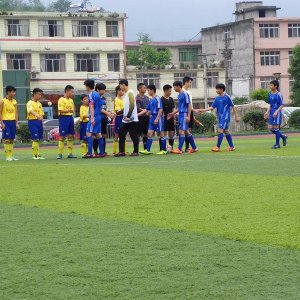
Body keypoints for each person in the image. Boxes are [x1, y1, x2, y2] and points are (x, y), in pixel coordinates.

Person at [194, 83, 240, 152]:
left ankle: (217, 147)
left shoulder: (227, 97)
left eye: (217, 89)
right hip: (220, 117)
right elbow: (212, 107)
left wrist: (236, 116)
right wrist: (202, 110)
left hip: (225, 117)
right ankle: (232, 146)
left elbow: (233, 106)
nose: (216, 90)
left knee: (220, 130)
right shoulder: (217, 98)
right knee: (226, 131)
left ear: (221, 89)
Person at [168, 81, 198, 154]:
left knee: (181, 131)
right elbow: (180, 107)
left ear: (178, 86)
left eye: (174, 87)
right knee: (186, 132)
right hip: (181, 114)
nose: (174, 89)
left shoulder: (185, 94)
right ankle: (194, 147)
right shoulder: (179, 95)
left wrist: (188, 116)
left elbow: (189, 105)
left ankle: (179, 149)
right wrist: (173, 113)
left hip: (184, 114)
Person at [139, 84, 167, 155]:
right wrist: (137, 115)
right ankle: (147, 150)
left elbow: (160, 109)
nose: (147, 92)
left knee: (161, 134)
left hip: (158, 118)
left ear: (152, 90)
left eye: (148, 90)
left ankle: (164, 150)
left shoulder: (157, 98)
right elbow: (146, 109)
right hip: (152, 118)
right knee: (149, 133)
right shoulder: (151, 100)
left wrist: (157, 118)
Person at [114, 79, 139, 157]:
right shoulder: (126, 94)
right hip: (126, 120)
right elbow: (127, 107)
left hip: (131, 119)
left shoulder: (130, 93)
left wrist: (128, 116)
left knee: (133, 135)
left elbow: (132, 105)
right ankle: (121, 151)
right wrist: (119, 112)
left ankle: (136, 151)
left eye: (120, 85)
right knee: (121, 133)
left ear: (124, 85)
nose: (120, 87)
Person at [83, 80, 105, 158]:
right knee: (98, 134)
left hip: (94, 116)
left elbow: (91, 106)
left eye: (85, 86)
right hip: (99, 116)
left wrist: (92, 117)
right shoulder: (97, 94)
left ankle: (89, 153)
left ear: (88, 86)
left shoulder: (91, 95)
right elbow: (100, 106)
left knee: (88, 133)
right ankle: (102, 153)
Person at [264, 80, 287, 149]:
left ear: (275, 86)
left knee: (276, 128)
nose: (270, 86)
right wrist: (267, 112)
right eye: (270, 85)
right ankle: (283, 137)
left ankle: (277, 144)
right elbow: (270, 105)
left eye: (271, 85)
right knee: (270, 128)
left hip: (277, 113)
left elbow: (282, 105)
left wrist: (277, 111)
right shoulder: (270, 94)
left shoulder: (279, 94)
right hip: (271, 113)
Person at [57, 85, 77, 159]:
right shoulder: (61, 100)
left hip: (70, 118)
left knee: (70, 135)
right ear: (67, 91)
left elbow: (72, 110)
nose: (72, 93)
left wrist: (70, 112)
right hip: (63, 118)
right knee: (62, 136)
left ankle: (70, 153)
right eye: (72, 91)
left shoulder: (71, 100)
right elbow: (60, 110)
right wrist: (68, 110)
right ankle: (60, 153)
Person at [0, 85, 20, 161]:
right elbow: (0, 112)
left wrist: (17, 123)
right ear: (8, 92)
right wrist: (2, 123)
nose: (14, 93)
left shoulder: (15, 101)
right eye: (13, 92)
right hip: (6, 121)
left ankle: (11, 155)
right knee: (7, 139)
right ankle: (8, 156)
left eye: (14, 92)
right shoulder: (3, 101)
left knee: (12, 139)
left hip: (13, 122)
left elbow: (16, 113)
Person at [27, 88, 45, 160]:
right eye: (39, 94)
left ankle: (37, 154)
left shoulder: (39, 104)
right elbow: (30, 110)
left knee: (38, 139)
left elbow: (42, 114)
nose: (40, 96)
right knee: (35, 138)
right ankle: (35, 155)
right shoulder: (30, 103)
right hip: (32, 121)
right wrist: (37, 116)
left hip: (39, 122)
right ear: (34, 94)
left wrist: (42, 122)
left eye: (41, 94)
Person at [161, 84, 176, 150]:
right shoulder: (161, 99)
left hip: (171, 119)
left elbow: (173, 109)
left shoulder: (171, 99)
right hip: (164, 118)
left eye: (171, 91)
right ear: (165, 91)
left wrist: (174, 118)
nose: (170, 92)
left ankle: (171, 148)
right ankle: (163, 148)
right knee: (164, 133)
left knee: (171, 133)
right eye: (169, 91)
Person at [136, 83, 150, 150]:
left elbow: (149, 107)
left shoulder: (147, 98)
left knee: (145, 133)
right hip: (139, 117)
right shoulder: (137, 98)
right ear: (139, 89)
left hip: (146, 117)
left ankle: (145, 149)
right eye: (144, 88)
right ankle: (136, 149)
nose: (145, 89)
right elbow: (138, 108)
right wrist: (145, 111)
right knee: (138, 134)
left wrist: (148, 111)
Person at [182, 76, 195, 152]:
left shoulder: (189, 92)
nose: (190, 84)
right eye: (190, 82)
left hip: (190, 112)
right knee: (184, 130)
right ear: (186, 82)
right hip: (185, 112)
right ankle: (185, 148)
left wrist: (192, 113)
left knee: (189, 130)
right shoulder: (182, 91)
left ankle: (187, 147)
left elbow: (191, 104)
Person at [113, 85, 125, 154]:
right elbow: (117, 112)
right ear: (118, 91)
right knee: (117, 135)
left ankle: (124, 150)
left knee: (124, 134)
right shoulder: (116, 100)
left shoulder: (122, 99)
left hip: (124, 118)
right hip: (119, 118)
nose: (123, 92)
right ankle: (114, 151)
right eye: (122, 90)